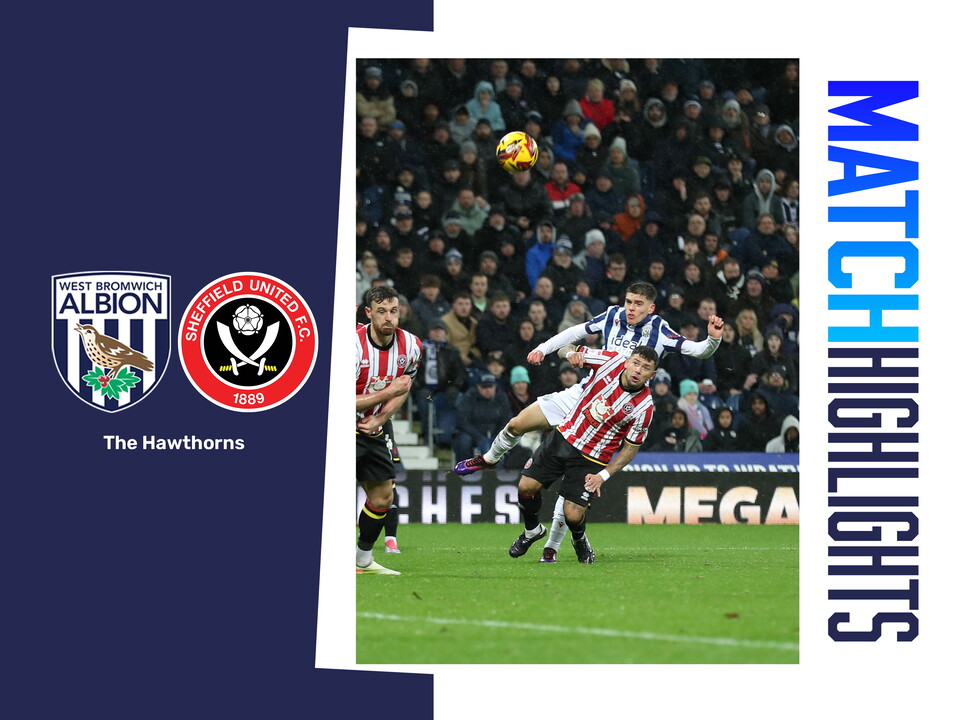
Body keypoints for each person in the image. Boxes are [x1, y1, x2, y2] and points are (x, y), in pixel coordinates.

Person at [455, 281, 724, 561]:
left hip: (612, 413)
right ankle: (490, 458)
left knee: (572, 489)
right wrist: (546, 349)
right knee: (516, 424)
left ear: (651, 307)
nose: (631, 308)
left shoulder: (660, 331)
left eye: (638, 304)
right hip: (585, 393)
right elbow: (575, 333)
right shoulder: (612, 316)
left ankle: (552, 547)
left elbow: (698, 350)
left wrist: (713, 339)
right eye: (629, 302)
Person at [507, 346, 660, 564]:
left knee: (572, 515)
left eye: (645, 368)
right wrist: (571, 355)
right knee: (526, 487)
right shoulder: (610, 361)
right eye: (635, 363)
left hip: (592, 458)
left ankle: (579, 539)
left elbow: (629, 450)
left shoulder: (644, 408)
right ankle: (532, 530)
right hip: (564, 437)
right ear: (627, 362)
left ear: (651, 375)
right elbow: (565, 349)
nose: (638, 370)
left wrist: (603, 476)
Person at [355, 286, 422, 575]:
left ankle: (362, 561)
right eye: (381, 311)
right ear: (368, 313)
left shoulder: (412, 346)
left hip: (372, 428)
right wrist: (388, 392)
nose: (388, 317)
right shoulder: (352, 346)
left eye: (393, 311)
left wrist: (380, 418)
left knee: (383, 497)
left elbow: (404, 388)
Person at [454, 372, 512, 462]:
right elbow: (462, 421)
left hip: (497, 433)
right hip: (473, 434)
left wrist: (497, 436)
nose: (488, 390)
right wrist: (478, 437)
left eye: (490, 387)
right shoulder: (469, 397)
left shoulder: (502, 398)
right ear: (478, 386)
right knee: (464, 441)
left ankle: (504, 470)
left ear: (495, 386)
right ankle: (463, 469)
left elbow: (506, 419)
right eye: (484, 387)